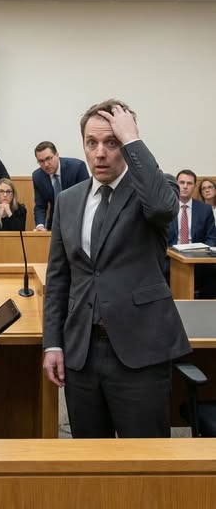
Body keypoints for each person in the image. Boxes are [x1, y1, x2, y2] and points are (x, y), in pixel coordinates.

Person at [43, 99, 190, 439]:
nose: (100, 153)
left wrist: (132, 139)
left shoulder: (154, 188)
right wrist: (53, 343)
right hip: (82, 352)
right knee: (90, 456)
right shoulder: (68, 200)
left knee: (144, 457)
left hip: (141, 350)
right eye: (91, 143)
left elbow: (162, 209)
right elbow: (59, 278)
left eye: (112, 142)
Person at [166, 170, 216, 298]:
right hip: (170, 257)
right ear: (176, 184)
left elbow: (211, 237)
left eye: (189, 183)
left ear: (194, 186)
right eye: (182, 182)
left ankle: (205, 307)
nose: (185, 186)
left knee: (210, 272)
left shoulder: (205, 209)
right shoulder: (166, 207)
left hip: (197, 257)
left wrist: (202, 255)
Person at [32, 141, 89, 231]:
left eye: (48, 158)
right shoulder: (38, 176)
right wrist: (40, 226)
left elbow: (86, 199)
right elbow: (40, 206)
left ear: (57, 155)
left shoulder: (77, 167)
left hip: (78, 221)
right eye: (41, 161)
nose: (46, 164)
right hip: (55, 223)